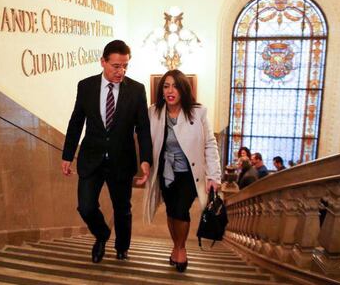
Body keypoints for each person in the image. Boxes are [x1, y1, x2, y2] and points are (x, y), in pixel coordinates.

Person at [61, 40, 153, 263]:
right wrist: (67, 155)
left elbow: (143, 128)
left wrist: (146, 160)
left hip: (121, 159)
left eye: (125, 66)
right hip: (91, 157)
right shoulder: (86, 86)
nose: (121, 71)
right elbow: (76, 121)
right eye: (116, 66)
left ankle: (122, 247)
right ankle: (102, 234)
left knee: (122, 208)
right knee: (86, 206)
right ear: (103, 62)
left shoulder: (137, 90)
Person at [143, 69, 221, 273]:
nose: (170, 91)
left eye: (175, 86)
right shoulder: (154, 112)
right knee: (170, 211)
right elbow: (145, 141)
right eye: (166, 86)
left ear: (183, 90)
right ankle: (175, 246)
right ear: (162, 90)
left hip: (189, 172)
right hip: (166, 171)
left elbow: (210, 144)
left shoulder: (198, 112)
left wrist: (214, 175)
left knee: (181, 210)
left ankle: (181, 248)